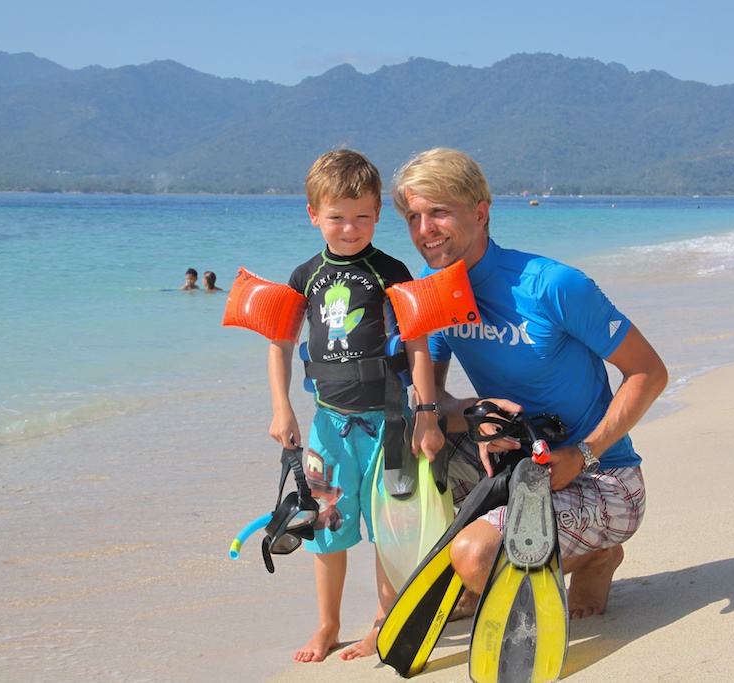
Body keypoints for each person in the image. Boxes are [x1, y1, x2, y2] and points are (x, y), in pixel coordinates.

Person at [390, 148, 668, 620]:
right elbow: (435, 402)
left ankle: (596, 555)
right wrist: (478, 411)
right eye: (413, 217)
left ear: (480, 213)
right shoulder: (433, 289)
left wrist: (585, 454)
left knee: (475, 558)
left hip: (603, 478)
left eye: (438, 212)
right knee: (405, 440)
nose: (424, 230)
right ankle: (495, 563)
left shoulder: (552, 285)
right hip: (515, 470)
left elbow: (649, 372)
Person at [267, 149, 445, 663]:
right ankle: (327, 625)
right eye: (337, 218)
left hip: (390, 422)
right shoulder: (305, 275)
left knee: (390, 528)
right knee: (326, 529)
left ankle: (383, 623)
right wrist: (282, 408)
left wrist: (427, 414)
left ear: (377, 214)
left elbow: (417, 343)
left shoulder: (391, 270)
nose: (350, 228)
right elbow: (279, 344)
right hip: (328, 426)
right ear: (313, 215)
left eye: (362, 216)